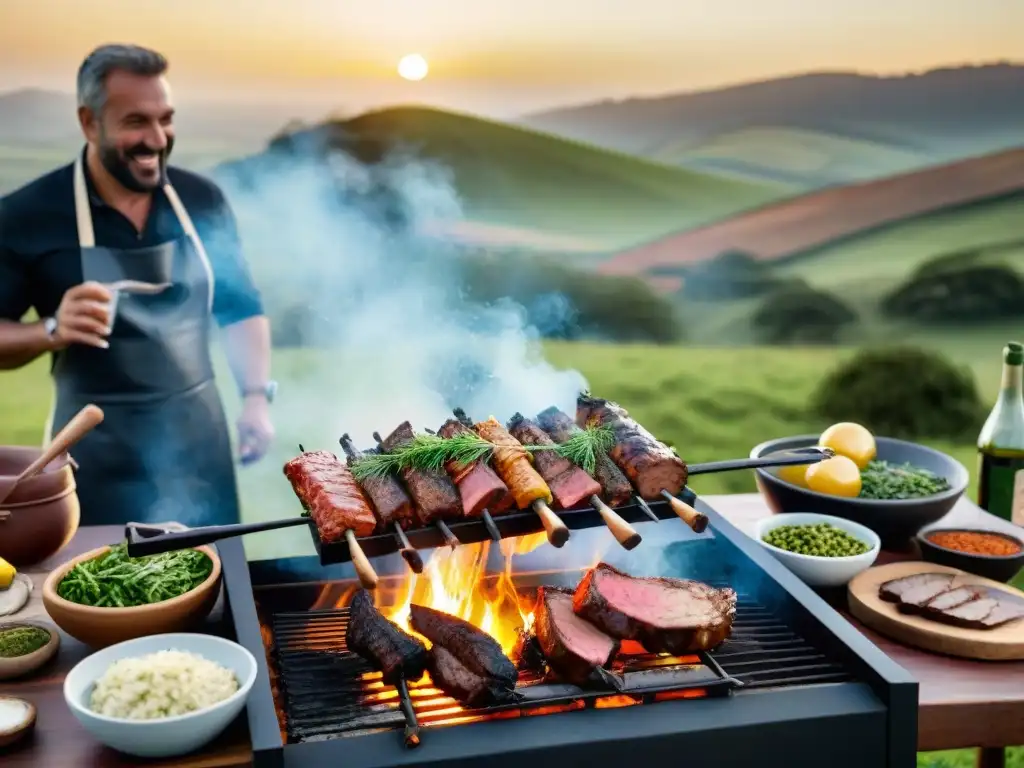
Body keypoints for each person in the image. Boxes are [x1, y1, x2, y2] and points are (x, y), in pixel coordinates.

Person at [0, 44, 275, 527]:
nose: (157, 138)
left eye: (165, 119)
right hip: (94, 465)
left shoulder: (202, 200)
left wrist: (255, 398)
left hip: (200, 456)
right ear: (90, 122)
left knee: (220, 597)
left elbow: (240, 308)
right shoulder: (26, 215)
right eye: (136, 122)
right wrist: (50, 329)